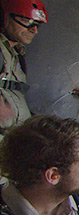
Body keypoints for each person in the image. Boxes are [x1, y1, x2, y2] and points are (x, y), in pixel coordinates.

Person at [0, 0, 47, 140]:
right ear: (4, 17)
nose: (34, 30)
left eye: (37, 24)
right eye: (27, 21)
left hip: (11, 141)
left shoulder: (17, 55)